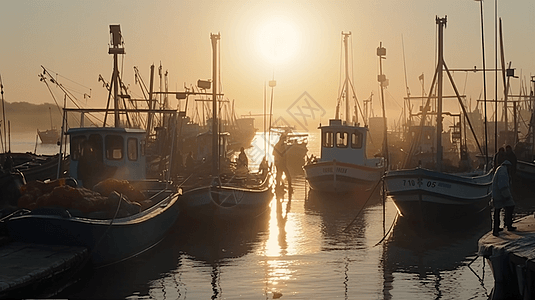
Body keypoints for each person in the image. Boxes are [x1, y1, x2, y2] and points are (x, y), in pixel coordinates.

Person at [491, 160, 516, 236]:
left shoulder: (500, 169)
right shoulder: (503, 171)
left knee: (497, 211)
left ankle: (497, 228)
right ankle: (507, 225)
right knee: (510, 206)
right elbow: (503, 185)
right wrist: (507, 196)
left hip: (497, 194)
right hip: (500, 194)